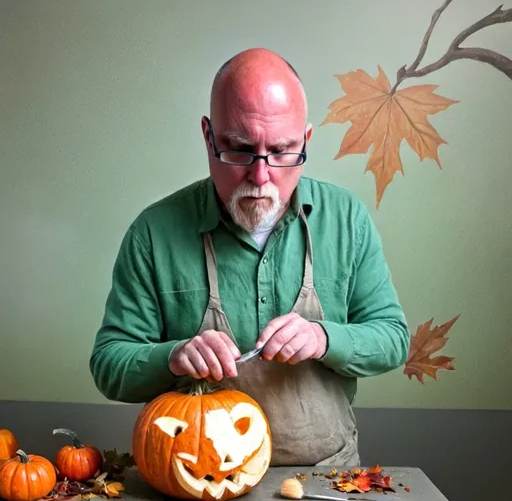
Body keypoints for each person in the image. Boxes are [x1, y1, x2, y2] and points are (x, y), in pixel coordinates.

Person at [89, 48, 410, 467]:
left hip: (325, 478)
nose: (261, 176)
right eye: (240, 150)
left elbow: (392, 338)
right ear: (208, 137)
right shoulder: (154, 232)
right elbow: (109, 363)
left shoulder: (346, 219)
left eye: (281, 151)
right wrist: (172, 357)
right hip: (199, 479)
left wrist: (324, 338)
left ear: (306, 141)